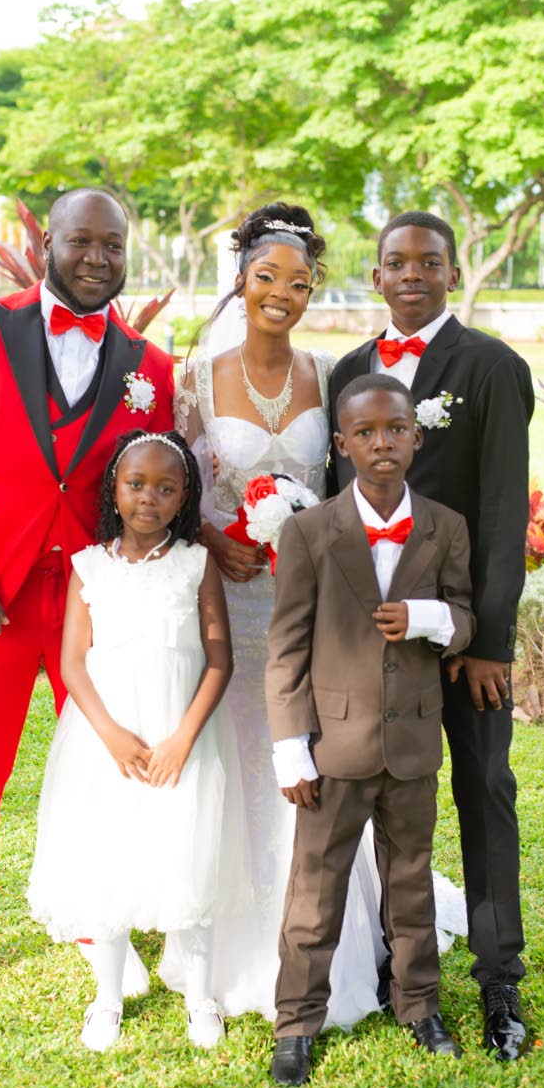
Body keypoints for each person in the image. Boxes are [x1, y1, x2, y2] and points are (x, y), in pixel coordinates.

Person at [0, 188, 175, 1006]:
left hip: (97, 602)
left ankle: (100, 920)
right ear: (46, 242)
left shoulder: (150, 367)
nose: (97, 257)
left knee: (101, 761)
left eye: (112, 245)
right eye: (80, 240)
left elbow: (154, 486)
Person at [169, 202, 390, 1027]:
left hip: (311, 607)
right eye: (267, 277)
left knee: (310, 755)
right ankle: (227, 942)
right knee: (233, 760)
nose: (282, 295)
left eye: (299, 284)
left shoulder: (327, 375)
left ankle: (321, 940)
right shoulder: (196, 377)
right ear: (241, 280)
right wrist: (210, 536)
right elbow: (174, 485)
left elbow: (345, 488)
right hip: (227, 603)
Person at [327, 210, 534, 1061]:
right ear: (375, 274)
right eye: (395, 262)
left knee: (482, 789)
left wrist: (489, 642)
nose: (411, 274)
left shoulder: (491, 366)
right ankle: (399, 969)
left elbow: (503, 511)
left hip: (462, 640)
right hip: (374, 641)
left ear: (451, 272)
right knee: (381, 800)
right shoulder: (348, 370)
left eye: (428, 261)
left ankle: (499, 980)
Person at [266, 374, 474, 1086]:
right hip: (333, 747)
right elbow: (286, 648)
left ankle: (419, 1006)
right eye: (365, 433)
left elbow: (464, 618)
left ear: (415, 437)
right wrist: (291, 748)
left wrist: (428, 619)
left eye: (394, 429)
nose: (381, 443)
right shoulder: (309, 532)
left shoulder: (445, 526)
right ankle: (296, 1022)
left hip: (412, 744)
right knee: (314, 890)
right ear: (341, 444)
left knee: (410, 881)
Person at [27, 431, 245, 1051]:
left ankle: (200, 996)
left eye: (166, 488)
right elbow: (72, 664)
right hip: (107, 744)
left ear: (184, 498)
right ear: (114, 490)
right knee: (108, 856)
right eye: (136, 484)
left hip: (183, 737)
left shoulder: (196, 565)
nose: (149, 497)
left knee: (189, 852)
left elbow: (219, 660)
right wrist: (112, 736)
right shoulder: (89, 566)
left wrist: (183, 738)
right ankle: (107, 998)